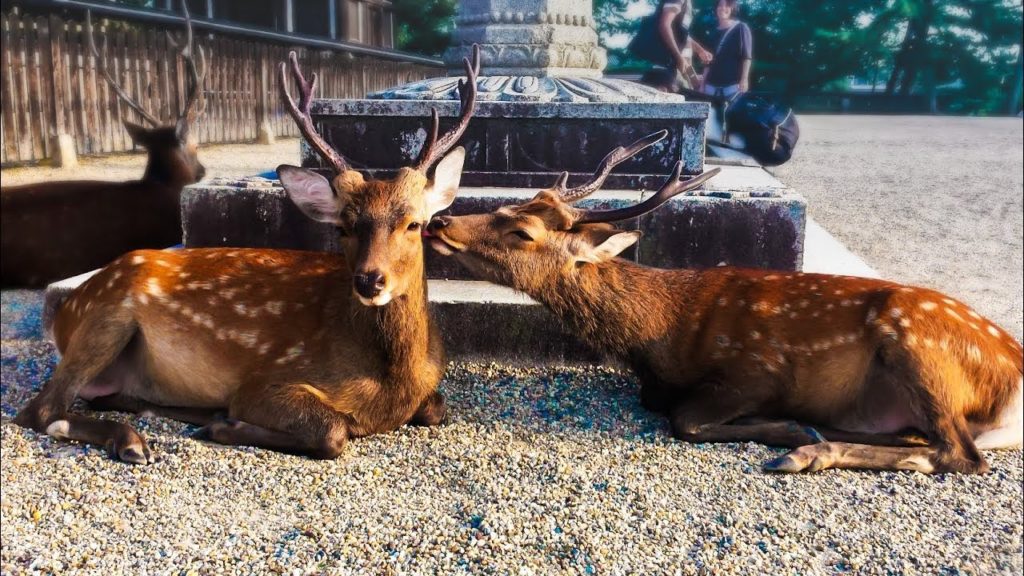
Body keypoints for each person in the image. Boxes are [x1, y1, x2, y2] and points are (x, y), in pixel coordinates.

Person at [633, 0, 713, 92]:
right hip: (666, 69)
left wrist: (700, 50)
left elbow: (680, 35)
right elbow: (664, 25)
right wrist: (678, 57)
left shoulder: (687, 4)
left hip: (676, 70)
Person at [700, 0, 753, 99]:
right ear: (716, 8)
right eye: (720, 5)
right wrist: (702, 85)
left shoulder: (741, 28)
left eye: (727, 5)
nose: (723, 8)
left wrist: (744, 79)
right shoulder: (713, 32)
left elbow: (746, 57)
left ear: (732, 8)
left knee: (730, 114)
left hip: (732, 88)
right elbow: (707, 63)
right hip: (710, 88)